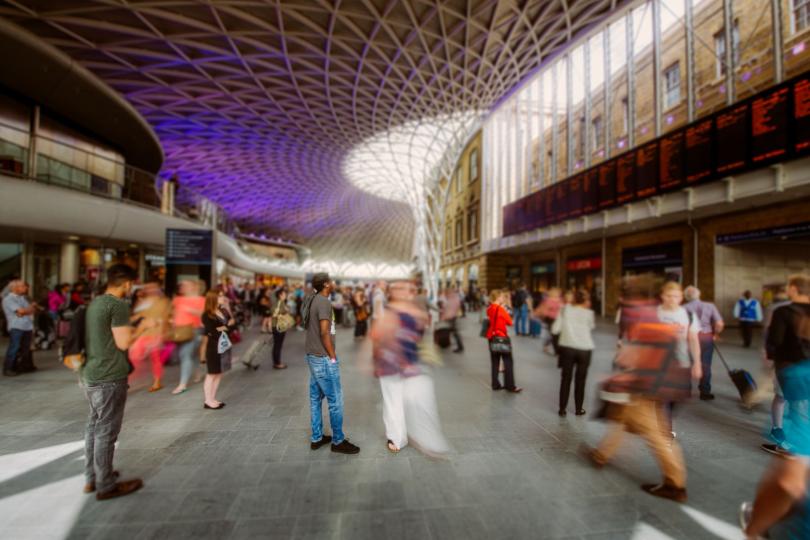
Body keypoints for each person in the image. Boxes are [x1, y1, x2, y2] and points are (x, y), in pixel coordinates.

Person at [584, 275, 699, 503]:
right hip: (654, 381)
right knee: (622, 417)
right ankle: (601, 454)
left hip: (648, 385)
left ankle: (675, 484)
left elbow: (648, 352)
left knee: (655, 433)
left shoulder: (643, 314)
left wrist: (626, 374)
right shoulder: (649, 311)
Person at [742, 274, 810, 538]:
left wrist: (753, 529)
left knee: (793, 410)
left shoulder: (784, 312)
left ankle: (784, 437)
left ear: (793, 289)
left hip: (792, 371)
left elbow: (787, 483)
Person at [81, 264, 143, 500]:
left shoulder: (95, 303)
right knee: (106, 432)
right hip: (109, 376)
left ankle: (92, 477)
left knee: (93, 427)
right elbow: (124, 343)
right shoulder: (118, 305)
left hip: (91, 374)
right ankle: (106, 485)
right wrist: (143, 328)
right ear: (126, 283)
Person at [371, 280, 449, 456]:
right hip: (390, 363)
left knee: (410, 399)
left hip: (409, 362)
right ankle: (396, 437)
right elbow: (378, 336)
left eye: (407, 289)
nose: (405, 292)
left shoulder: (413, 311)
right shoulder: (389, 311)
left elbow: (417, 337)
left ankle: (412, 434)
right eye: (400, 289)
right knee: (393, 400)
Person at [303, 272, 360, 454]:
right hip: (322, 358)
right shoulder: (323, 302)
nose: (334, 283)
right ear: (326, 284)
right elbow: (324, 332)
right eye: (332, 281)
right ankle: (338, 441)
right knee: (335, 400)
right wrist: (333, 356)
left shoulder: (313, 299)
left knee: (315, 398)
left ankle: (317, 437)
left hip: (313, 355)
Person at [760, 288, 792, 455]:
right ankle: (779, 430)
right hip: (790, 362)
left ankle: (780, 434)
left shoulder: (778, 309)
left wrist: (768, 355)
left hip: (789, 362)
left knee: (783, 398)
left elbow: (770, 334)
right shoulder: (779, 309)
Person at [553, 290, 595, 417]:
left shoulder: (564, 310)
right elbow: (591, 327)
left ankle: (562, 409)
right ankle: (578, 409)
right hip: (585, 349)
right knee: (581, 380)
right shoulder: (589, 313)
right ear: (585, 301)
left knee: (566, 379)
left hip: (567, 348)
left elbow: (555, 329)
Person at [683, 286, 724, 401]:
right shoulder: (710, 306)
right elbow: (719, 324)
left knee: (687, 364)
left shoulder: (683, 308)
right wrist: (715, 334)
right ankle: (705, 392)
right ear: (699, 294)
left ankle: (686, 391)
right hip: (706, 337)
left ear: (686, 296)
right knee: (706, 364)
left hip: (689, 338)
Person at [128, 282, 170, 392]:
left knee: (155, 358)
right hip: (143, 332)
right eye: (148, 288)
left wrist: (163, 331)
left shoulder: (163, 302)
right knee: (133, 356)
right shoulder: (143, 301)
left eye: (152, 288)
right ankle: (127, 380)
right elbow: (139, 314)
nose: (150, 290)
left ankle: (157, 382)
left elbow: (166, 318)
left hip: (156, 333)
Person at [170, 280, 205, 395]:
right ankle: (199, 371)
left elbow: (204, 314)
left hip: (194, 330)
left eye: (186, 285)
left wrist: (190, 310)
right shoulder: (177, 299)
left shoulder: (201, 299)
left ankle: (182, 385)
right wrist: (171, 321)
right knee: (192, 354)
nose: (183, 287)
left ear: (193, 287)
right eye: (182, 285)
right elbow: (173, 313)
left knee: (185, 354)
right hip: (179, 331)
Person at [485, 289, 522, 393]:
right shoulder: (500, 309)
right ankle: (510, 386)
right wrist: (506, 308)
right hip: (501, 337)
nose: (503, 298)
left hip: (491, 337)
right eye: (502, 296)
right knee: (508, 361)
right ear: (497, 298)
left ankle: (495, 384)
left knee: (495, 361)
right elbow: (510, 322)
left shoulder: (490, 308)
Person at [2, 280, 38, 376]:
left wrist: (25, 311)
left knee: (25, 348)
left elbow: (31, 311)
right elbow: (21, 311)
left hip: (27, 326)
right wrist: (28, 309)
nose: (26, 288)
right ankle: (8, 368)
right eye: (23, 286)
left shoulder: (22, 298)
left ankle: (22, 366)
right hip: (16, 326)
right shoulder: (8, 299)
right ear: (15, 288)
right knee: (14, 347)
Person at [439, 287, 464, 353]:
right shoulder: (455, 298)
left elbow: (448, 308)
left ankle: (460, 346)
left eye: (446, 292)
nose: (446, 294)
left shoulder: (451, 299)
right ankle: (447, 344)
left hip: (450, 317)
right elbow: (456, 307)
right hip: (452, 317)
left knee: (454, 332)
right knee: (452, 332)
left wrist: (444, 316)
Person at [270, 288, 290, 369]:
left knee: (278, 345)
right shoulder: (278, 303)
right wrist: (282, 315)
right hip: (278, 327)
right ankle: (277, 363)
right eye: (284, 294)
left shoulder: (282, 302)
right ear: (280, 295)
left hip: (280, 326)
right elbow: (274, 314)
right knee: (277, 345)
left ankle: (277, 362)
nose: (286, 295)